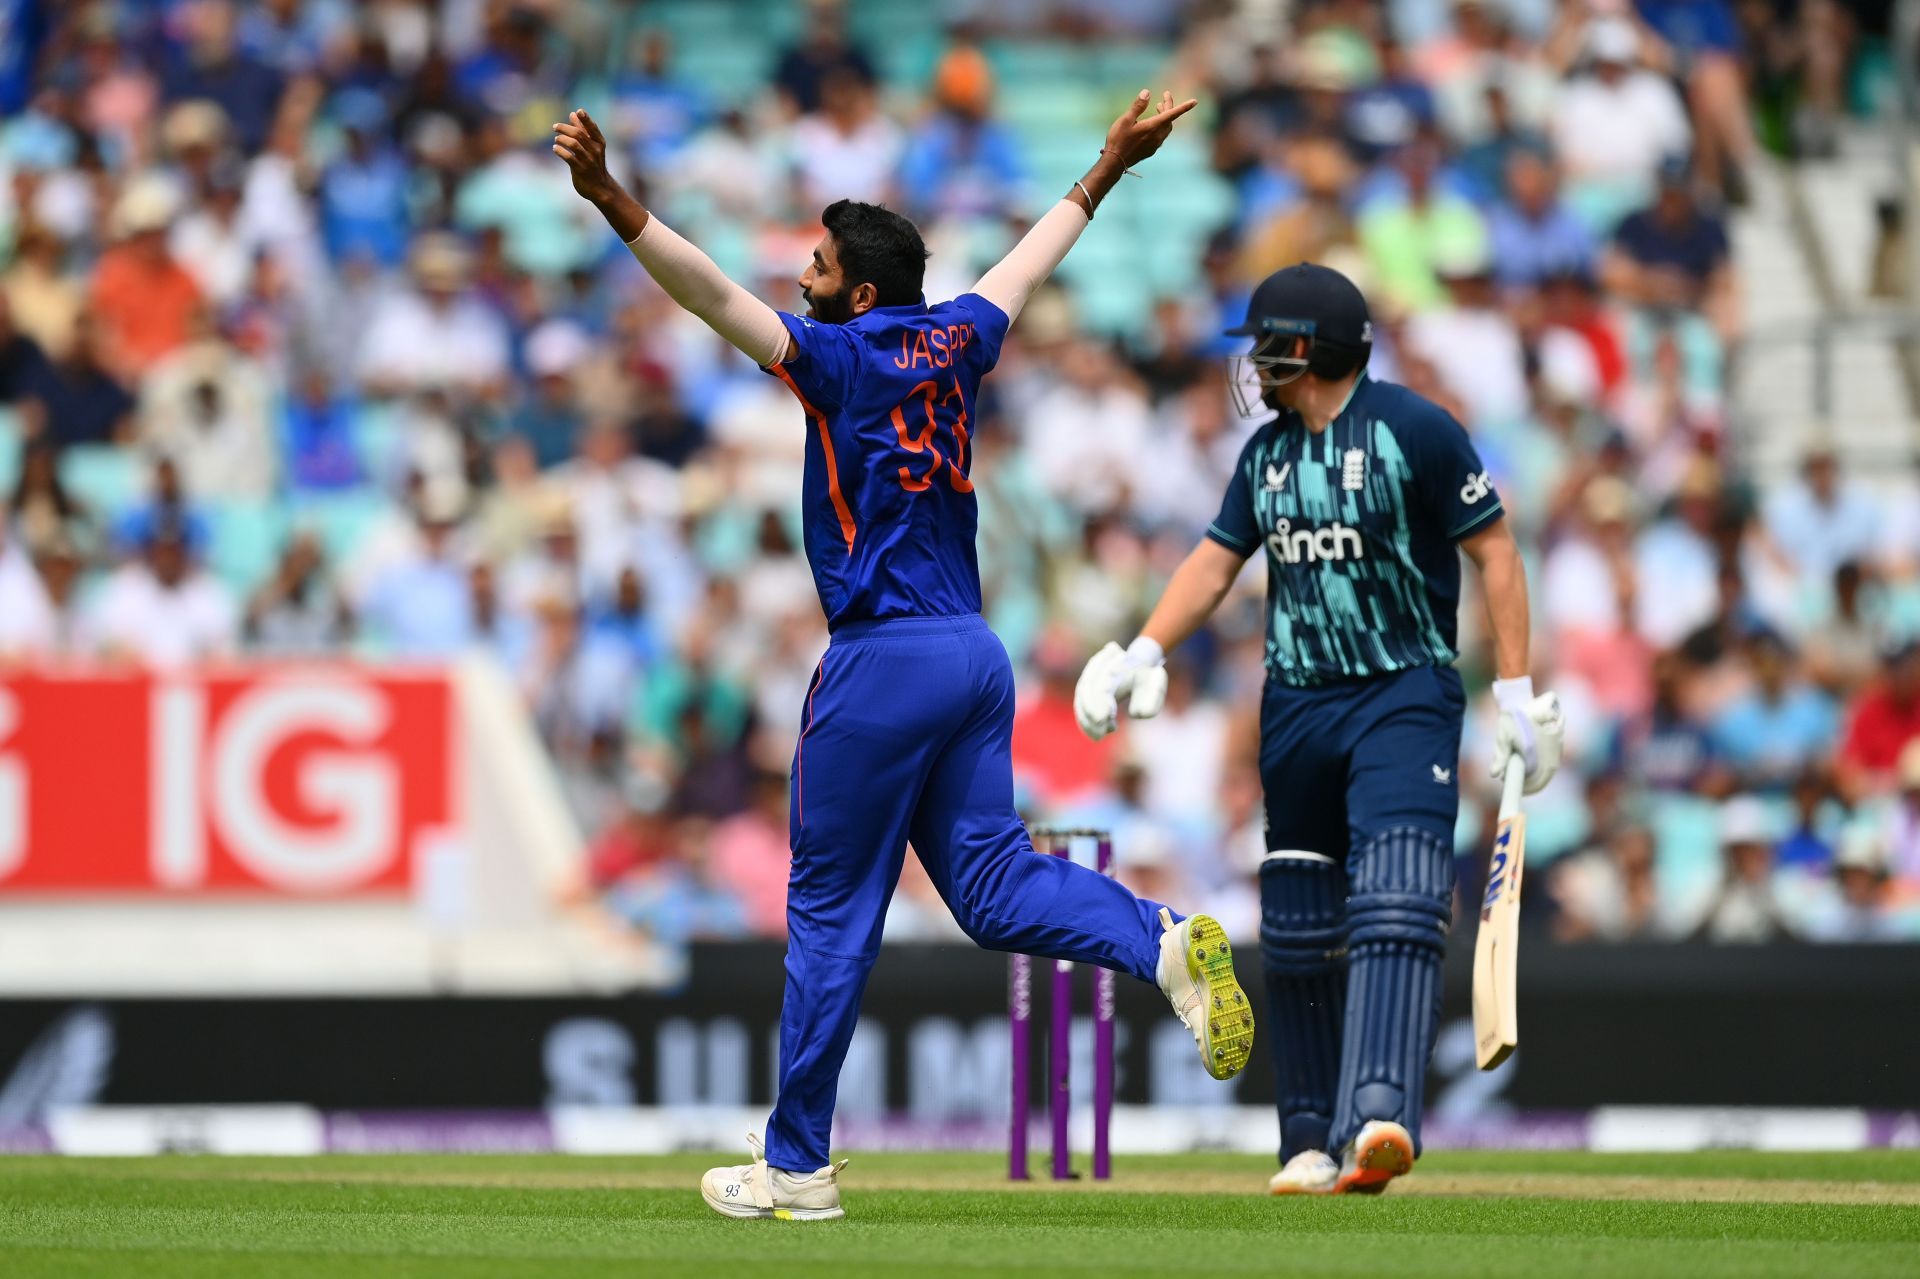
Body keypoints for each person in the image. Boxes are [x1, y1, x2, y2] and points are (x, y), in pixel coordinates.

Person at [552, 91, 1253, 1223]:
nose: (803, 277)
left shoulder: (834, 360)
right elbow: (1028, 263)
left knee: (831, 913)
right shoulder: (961, 336)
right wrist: (1111, 163)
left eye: (820, 265)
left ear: (859, 292)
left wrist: (608, 198)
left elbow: (708, 293)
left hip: (878, 655)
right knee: (990, 884)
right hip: (975, 654)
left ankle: (798, 1165)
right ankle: (1160, 943)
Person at [1073, 262, 1564, 1195]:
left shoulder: (1413, 429)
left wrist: (1513, 690)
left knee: (1396, 895)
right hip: (1295, 701)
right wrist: (1141, 650)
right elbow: (1216, 564)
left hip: (1402, 690)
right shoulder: (1265, 458)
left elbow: (1494, 549)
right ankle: (1305, 1135)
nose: (1255, 363)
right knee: (1297, 923)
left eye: (1269, 344)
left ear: (1312, 347)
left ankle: (1379, 1110)